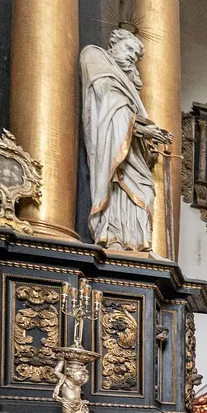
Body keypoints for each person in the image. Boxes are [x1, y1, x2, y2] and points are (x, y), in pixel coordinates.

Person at [80, 29, 171, 252]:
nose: (132, 56)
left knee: (146, 190)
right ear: (113, 44)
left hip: (131, 147)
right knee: (115, 183)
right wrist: (142, 129)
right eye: (129, 48)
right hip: (109, 139)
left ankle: (136, 241)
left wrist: (149, 136)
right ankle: (112, 235)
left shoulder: (130, 84)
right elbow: (109, 101)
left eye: (137, 55)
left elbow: (129, 113)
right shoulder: (95, 56)